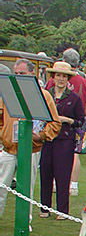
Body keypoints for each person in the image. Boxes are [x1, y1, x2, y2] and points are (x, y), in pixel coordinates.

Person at [0, 60, 61, 218]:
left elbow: (55, 123)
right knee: (1, 187)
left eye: (22, 74)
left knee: (25, 190)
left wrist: (40, 136)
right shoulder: (6, 94)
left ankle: (24, 223)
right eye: (16, 73)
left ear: (32, 74)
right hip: (7, 148)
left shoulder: (43, 95)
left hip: (30, 149)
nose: (18, 77)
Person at [39, 61, 85, 219]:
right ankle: (44, 208)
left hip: (65, 140)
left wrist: (67, 120)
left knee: (63, 174)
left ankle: (62, 211)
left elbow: (80, 121)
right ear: (53, 77)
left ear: (68, 79)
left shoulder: (74, 98)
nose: (61, 79)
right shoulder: (45, 95)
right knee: (45, 172)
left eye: (64, 76)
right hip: (47, 138)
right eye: (58, 75)